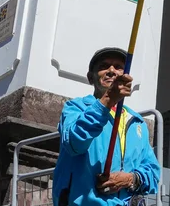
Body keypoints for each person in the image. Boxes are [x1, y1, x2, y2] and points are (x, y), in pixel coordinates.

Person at [53, 47, 161, 206]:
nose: (112, 70)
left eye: (118, 67)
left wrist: (130, 179)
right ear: (91, 78)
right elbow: (74, 143)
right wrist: (107, 100)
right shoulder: (75, 108)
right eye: (104, 66)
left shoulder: (136, 122)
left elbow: (153, 173)